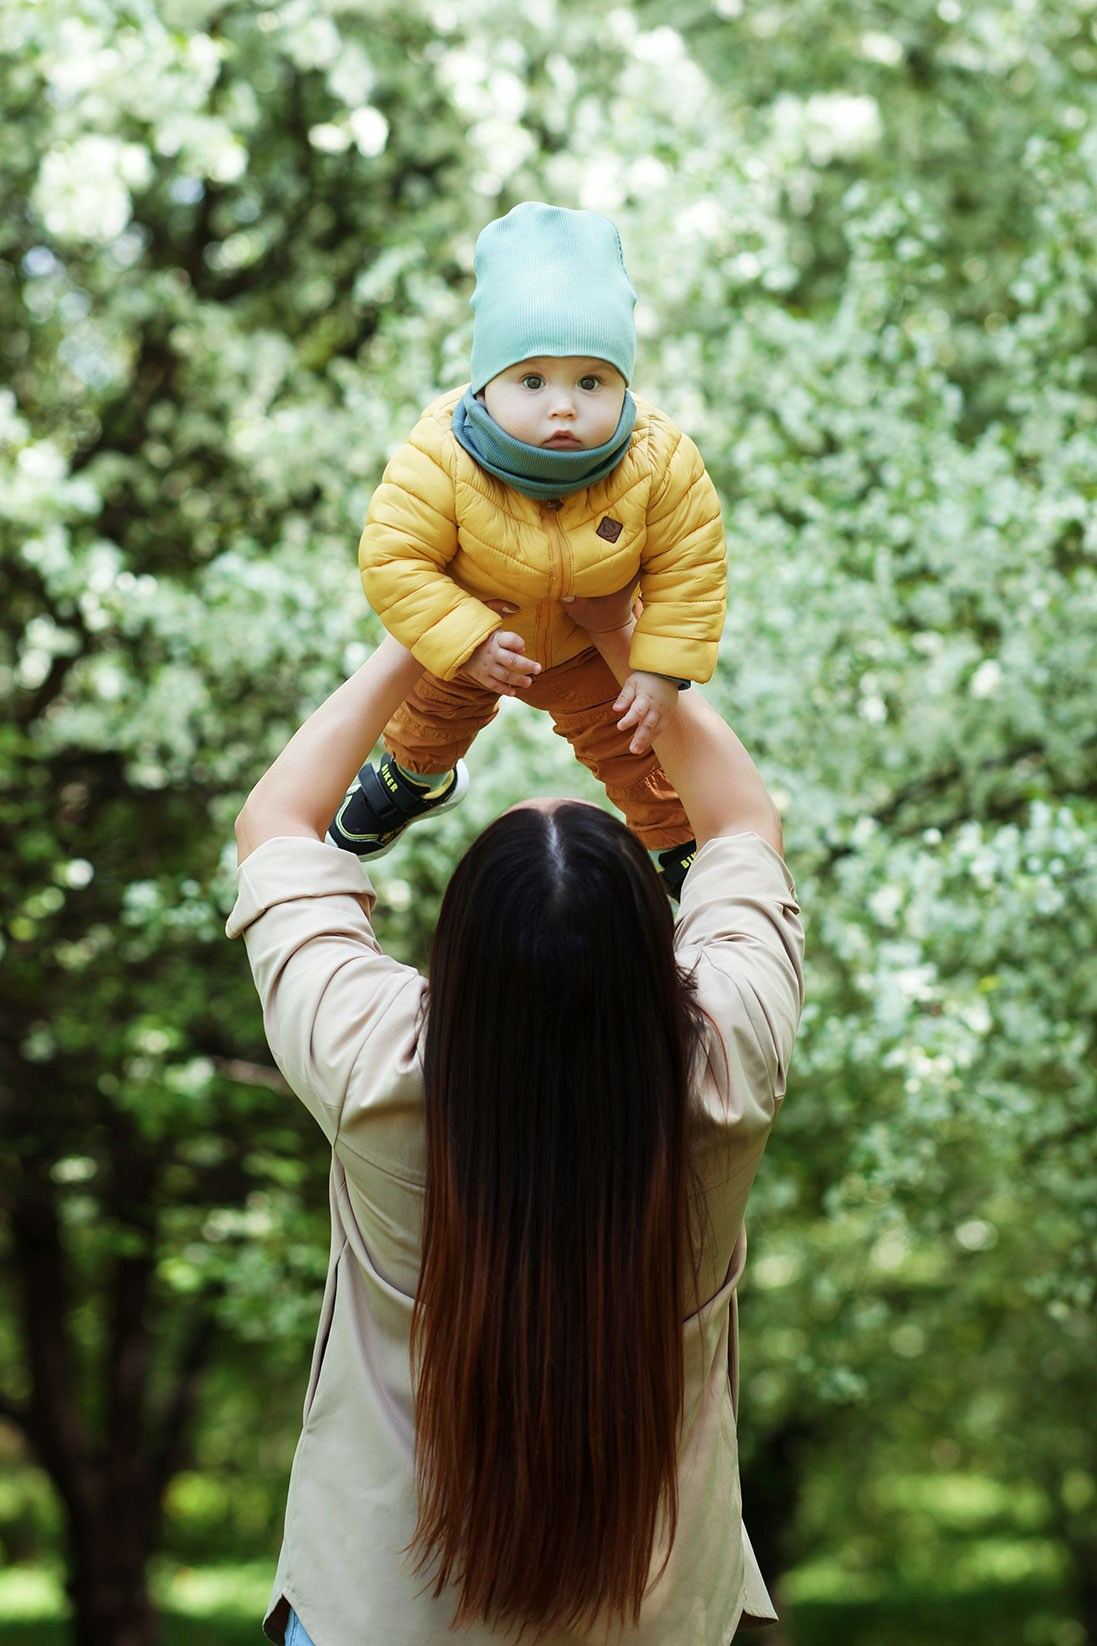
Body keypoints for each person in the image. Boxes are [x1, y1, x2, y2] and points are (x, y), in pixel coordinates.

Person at [228, 588, 805, 1646]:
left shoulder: (373, 1065)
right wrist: (622, 637)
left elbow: (276, 825)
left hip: (379, 1612)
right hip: (655, 1616)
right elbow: (739, 825)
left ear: (461, 953)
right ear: (652, 953)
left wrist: (424, 634)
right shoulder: (727, 1068)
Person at [327, 201, 728, 899]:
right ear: (486, 384)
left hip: (590, 644)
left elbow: (689, 566)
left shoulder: (658, 459)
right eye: (532, 381)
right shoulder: (443, 452)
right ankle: (414, 777)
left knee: (637, 744)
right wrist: (465, 636)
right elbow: (394, 557)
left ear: (625, 385)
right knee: (429, 715)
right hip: (474, 628)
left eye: (591, 381)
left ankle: (679, 843)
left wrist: (660, 669)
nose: (563, 406)